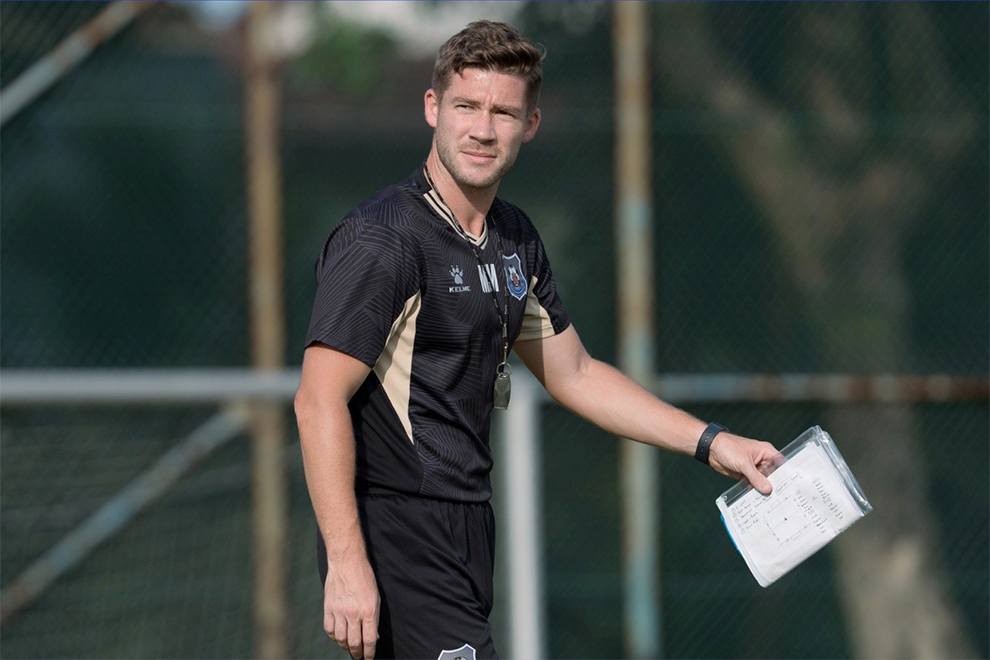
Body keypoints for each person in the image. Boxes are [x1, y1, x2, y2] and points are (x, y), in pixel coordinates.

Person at [294, 20, 782, 660]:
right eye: (466, 106)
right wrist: (346, 561)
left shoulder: (514, 238)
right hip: (397, 526)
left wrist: (713, 442)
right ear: (432, 107)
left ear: (530, 124)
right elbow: (318, 401)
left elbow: (575, 373)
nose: (482, 129)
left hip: (469, 525)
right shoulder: (383, 239)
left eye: (503, 112)